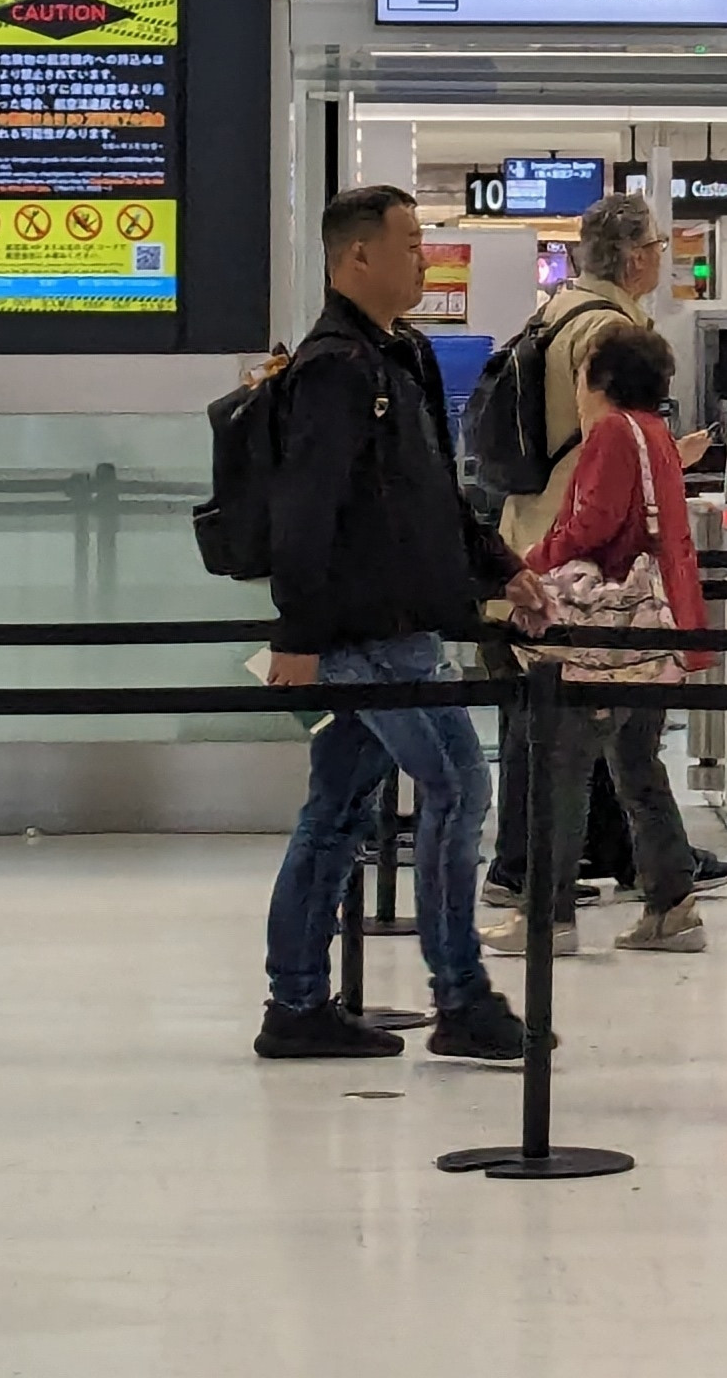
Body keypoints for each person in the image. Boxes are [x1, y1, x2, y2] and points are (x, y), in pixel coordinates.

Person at [252, 185, 544, 1065]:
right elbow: (304, 512)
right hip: (366, 631)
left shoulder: (400, 355)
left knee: (337, 809)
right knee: (459, 785)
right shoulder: (335, 367)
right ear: (357, 259)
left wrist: (505, 569)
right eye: (412, 243)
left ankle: (297, 1003)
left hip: (402, 622)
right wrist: (298, 638)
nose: (426, 256)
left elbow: (434, 495)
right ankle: (459, 994)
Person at [509, 320, 713, 955]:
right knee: (638, 768)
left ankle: (550, 918)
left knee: (565, 766)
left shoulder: (611, 435)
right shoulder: (657, 436)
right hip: (658, 628)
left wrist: (529, 561)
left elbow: (592, 524)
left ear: (598, 378)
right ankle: (672, 905)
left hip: (607, 631)